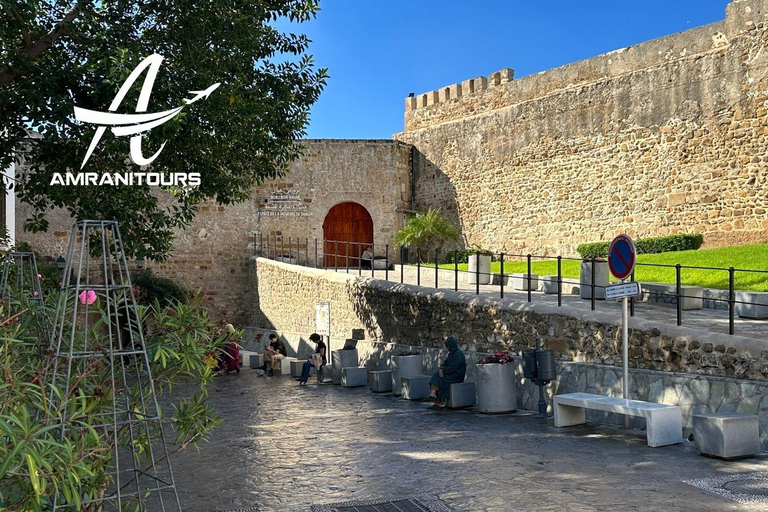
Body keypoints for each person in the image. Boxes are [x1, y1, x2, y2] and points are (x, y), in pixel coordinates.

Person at [425, 336, 466, 407]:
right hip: (450, 373)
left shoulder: (458, 354)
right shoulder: (451, 354)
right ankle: (434, 396)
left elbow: (453, 367)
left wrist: (443, 371)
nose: (447, 348)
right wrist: (441, 369)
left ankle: (438, 399)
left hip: (456, 375)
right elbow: (445, 363)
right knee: (437, 375)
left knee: (441, 379)